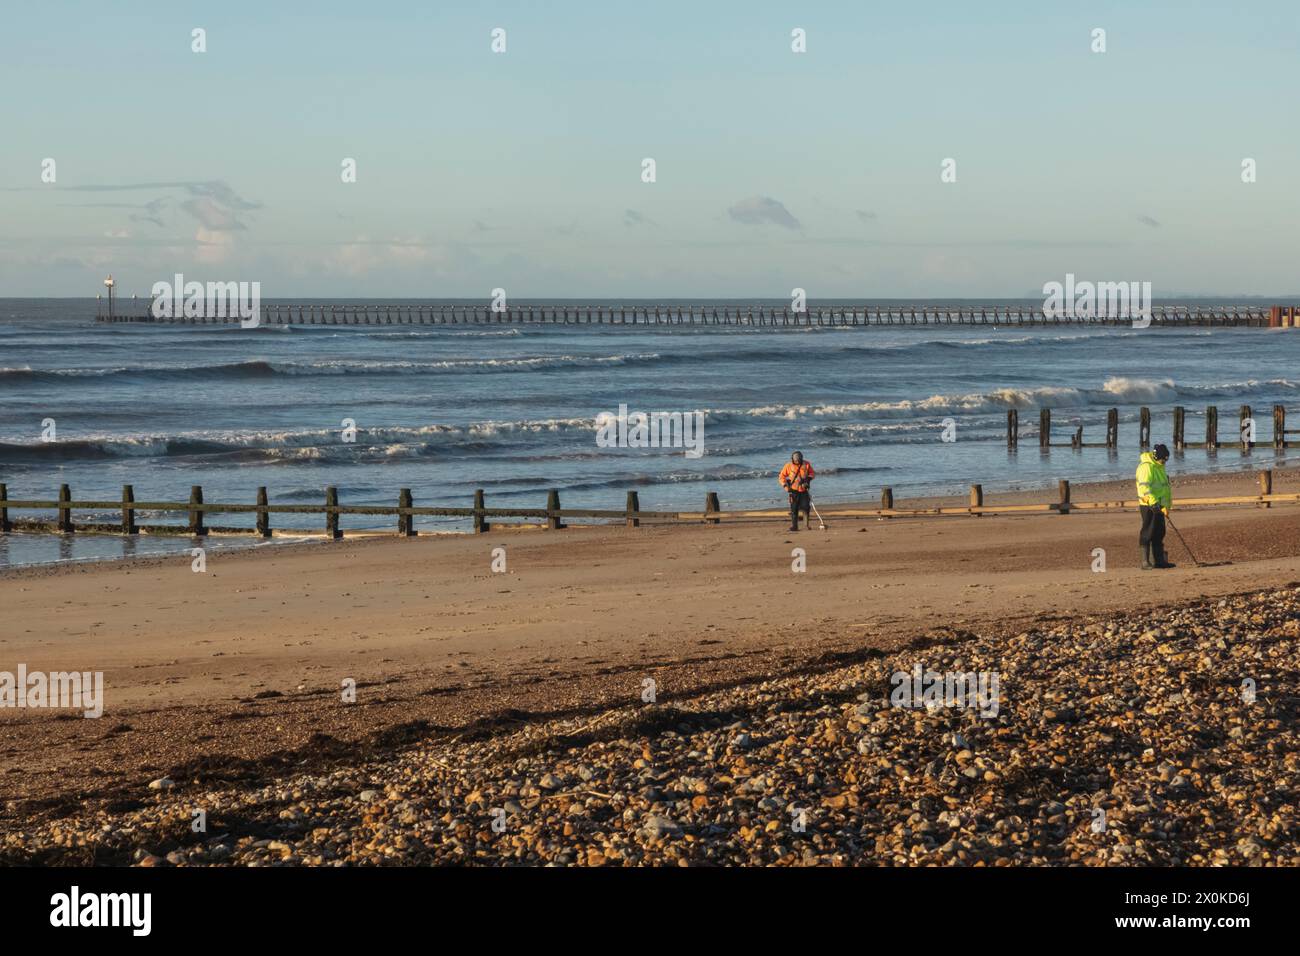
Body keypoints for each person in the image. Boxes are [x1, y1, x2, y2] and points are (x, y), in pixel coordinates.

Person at [1136, 443, 1174, 569]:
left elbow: (1165, 489)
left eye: (1166, 460)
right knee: (1148, 532)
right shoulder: (1146, 467)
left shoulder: (1160, 466)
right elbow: (1144, 488)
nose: (1164, 462)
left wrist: (1167, 506)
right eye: (1163, 459)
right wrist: (1153, 503)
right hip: (1149, 505)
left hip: (1160, 506)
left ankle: (1159, 561)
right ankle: (1145, 562)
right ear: (1156, 456)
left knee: (1159, 533)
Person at [778, 451, 815, 531]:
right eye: (796, 460)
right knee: (794, 509)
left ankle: (806, 525)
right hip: (793, 490)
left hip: (804, 490)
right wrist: (785, 486)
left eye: (799, 460)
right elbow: (781, 477)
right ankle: (794, 526)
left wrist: (808, 479)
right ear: (792, 459)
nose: (797, 462)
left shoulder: (806, 464)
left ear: (801, 458)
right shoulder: (788, 466)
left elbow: (812, 474)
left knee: (806, 507)